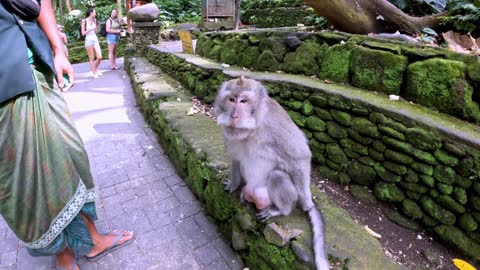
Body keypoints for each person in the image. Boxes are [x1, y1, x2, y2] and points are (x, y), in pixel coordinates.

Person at [0, 1, 134, 269]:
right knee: (32, 178)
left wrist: (59, 50)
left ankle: (90, 241)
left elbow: (39, 4)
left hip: (29, 74)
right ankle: (64, 254)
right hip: (9, 88)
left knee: (67, 158)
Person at [81, 6, 102, 78]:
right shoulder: (84, 21)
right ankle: (94, 73)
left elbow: (96, 31)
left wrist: (97, 28)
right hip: (88, 39)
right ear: (91, 12)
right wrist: (92, 28)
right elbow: (83, 33)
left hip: (95, 38)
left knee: (99, 57)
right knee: (92, 58)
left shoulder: (95, 20)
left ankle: (95, 69)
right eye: (95, 12)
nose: (95, 13)